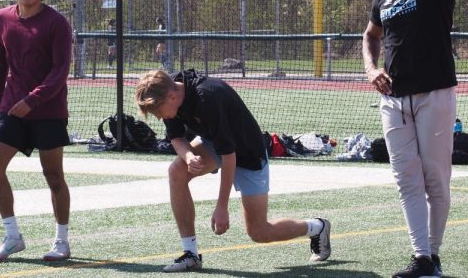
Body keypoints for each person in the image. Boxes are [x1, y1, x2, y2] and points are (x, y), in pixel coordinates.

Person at [361, 0, 468, 278]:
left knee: (434, 177)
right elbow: (370, 37)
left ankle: (432, 256)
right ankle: (421, 257)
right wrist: (372, 69)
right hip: (394, 99)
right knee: (405, 177)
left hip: (434, 95)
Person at [134, 69, 331, 273]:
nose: (158, 117)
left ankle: (317, 227)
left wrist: (222, 207)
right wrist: (189, 157)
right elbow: (176, 138)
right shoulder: (169, 92)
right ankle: (191, 254)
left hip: (247, 152)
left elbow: (229, 156)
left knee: (259, 232)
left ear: (172, 96)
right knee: (177, 171)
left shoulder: (207, 98)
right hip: (214, 142)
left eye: (157, 112)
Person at [0, 0, 73, 262]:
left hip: (48, 111)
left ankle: (61, 240)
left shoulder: (57, 23)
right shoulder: (1, 18)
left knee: (53, 176)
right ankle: (12, 237)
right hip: (11, 109)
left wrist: (33, 100)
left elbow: (60, 71)